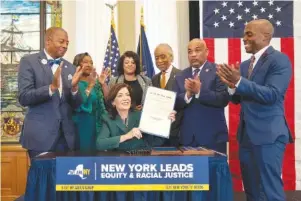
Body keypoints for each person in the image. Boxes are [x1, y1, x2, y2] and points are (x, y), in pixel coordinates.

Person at [217, 19, 293, 201]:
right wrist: (231, 86)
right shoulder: (244, 65)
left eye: (249, 34)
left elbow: (272, 95)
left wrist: (240, 82)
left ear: (266, 36)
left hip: (268, 136)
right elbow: (237, 99)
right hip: (246, 137)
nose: (244, 38)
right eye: (244, 34)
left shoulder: (279, 60)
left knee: (270, 189)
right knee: (251, 191)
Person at [18, 27, 83, 159]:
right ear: (48, 42)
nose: (65, 46)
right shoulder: (29, 61)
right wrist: (51, 88)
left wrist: (75, 88)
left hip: (66, 138)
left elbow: (76, 105)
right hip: (40, 137)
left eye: (67, 43)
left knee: (64, 179)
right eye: (61, 41)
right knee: (42, 178)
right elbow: (24, 97)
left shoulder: (70, 67)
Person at [173, 38, 229, 154]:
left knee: (213, 172)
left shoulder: (218, 71)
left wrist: (199, 91)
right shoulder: (180, 76)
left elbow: (223, 99)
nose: (193, 55)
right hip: (188, 139)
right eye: (189, 51)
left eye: (197, 50)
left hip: (213, 138)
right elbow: (175, 104)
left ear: (207, 52)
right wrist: (187, 95)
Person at [96, 83, 176, 151]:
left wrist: (166, 123)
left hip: (141, 160)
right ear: (113, 102)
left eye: (127, 95)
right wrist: (127, 136)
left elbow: (155, 142)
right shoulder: (107, 119)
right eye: (120, 95)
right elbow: (99, 144)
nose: (125, 98)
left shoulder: (141, 115)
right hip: (119, 161)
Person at [72, 52, 110, 151]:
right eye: (85, 62)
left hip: (95, 124)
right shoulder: (75, 83)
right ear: (77, 65)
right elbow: (81, 104)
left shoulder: (94, 83)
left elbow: (107, 101)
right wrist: (90, 85)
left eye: (91, 62)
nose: (89, 65)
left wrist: (102, 84)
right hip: (82, 124)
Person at [152, 43, 182, 146]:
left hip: (177, 133)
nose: (159, 61)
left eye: (163, 57)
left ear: (171, 57)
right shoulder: (154, 79)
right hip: (158, 133)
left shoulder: (182, 75)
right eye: (156, 58)